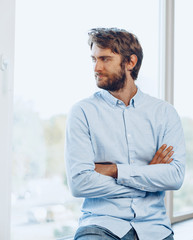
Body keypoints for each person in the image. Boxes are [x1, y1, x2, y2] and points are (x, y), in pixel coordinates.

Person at [65, 28, 186, 240]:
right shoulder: (82, 112)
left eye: (105, 59)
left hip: (154, 228)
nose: (96, 67)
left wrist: (114, 170)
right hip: (100, 225)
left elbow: (174, 177)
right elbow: (79, 182)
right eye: (93, 59)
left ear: (130, 62)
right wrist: (146, 177)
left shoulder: (164, 113)